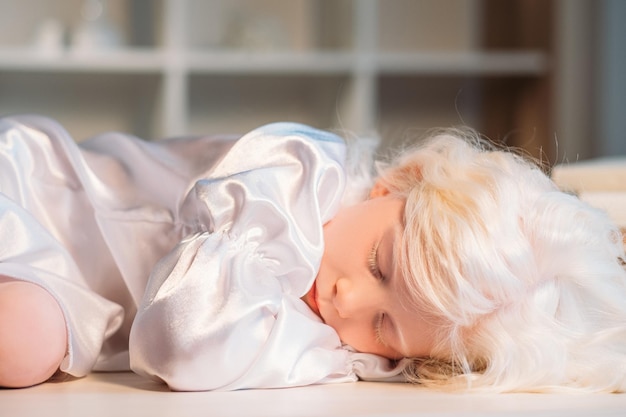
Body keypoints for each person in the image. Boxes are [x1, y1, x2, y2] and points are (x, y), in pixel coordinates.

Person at [0, 115, 625, 392]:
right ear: (397, 183)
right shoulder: (301, 169)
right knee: (22, 340)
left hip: (80, 306)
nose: (346, 300)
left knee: (26, 341)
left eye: (385, 326)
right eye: (380, 263)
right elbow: (178, 341)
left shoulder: (397, 340)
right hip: (44, 198)